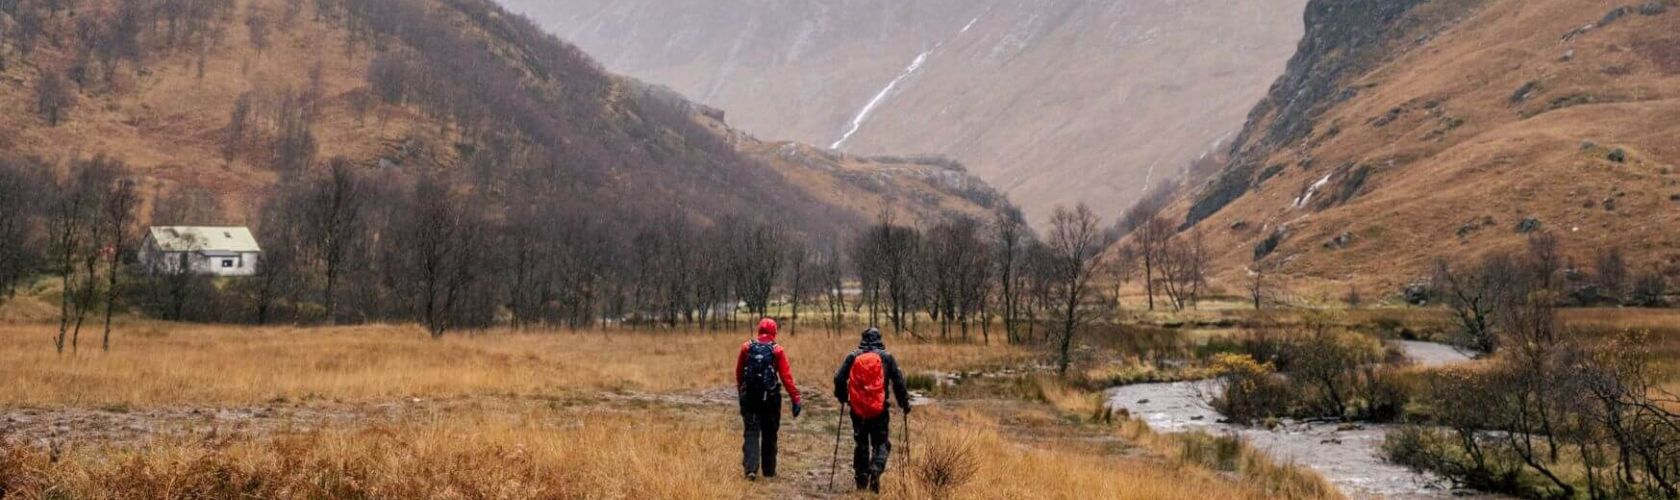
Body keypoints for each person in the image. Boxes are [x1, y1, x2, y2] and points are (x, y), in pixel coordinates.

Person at [833, 327, 911, 492]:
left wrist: (842, 397)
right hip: (879, 410)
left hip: (858, 410)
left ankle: (861, 482)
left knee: (861, 443)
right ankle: (876, 469)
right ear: (879, 339)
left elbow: (839, 378)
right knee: (881, 443)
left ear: (863, 339)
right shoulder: (887, 357)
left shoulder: (853, 356)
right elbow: (899, 382)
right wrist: (904, 404)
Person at [736, 317, 802, 481]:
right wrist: (795, 398)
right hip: (770, 399)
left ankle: (751, 469)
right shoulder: (777, 351)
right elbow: (786, 377)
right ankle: (769, 470)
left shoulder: (746, 347)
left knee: (751, 432)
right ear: (774, 332)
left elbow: (739, 373)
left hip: (750, 397)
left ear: (759, 330)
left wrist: (741, 391)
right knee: (769, 433)